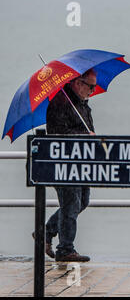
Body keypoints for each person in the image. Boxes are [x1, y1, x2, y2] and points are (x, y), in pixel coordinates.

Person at [40, 68, 97, 262]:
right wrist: (84, 136)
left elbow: (87, 128)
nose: (92, 91)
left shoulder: (82, 104)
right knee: (71, 203)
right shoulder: (61, 102)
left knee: (82, 201)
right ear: (78, 83)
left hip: (81, 162)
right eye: (90, 86)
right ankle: (65, 249)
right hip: (63, 163)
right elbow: (56, 134)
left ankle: (46, 232)